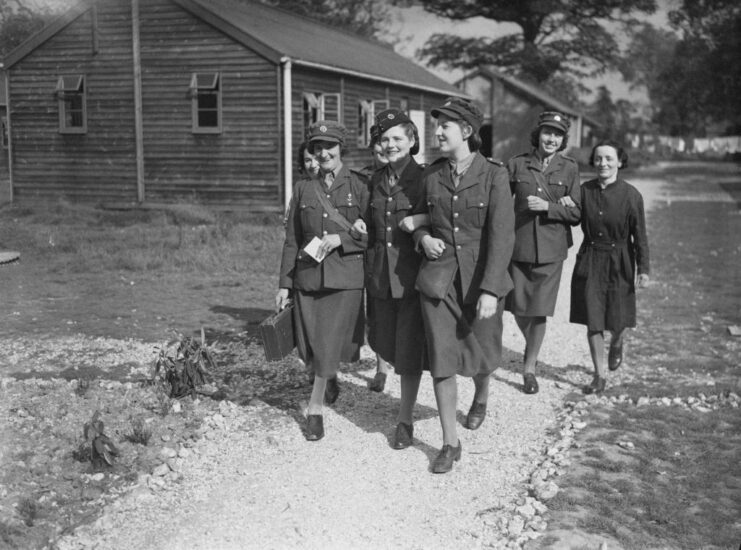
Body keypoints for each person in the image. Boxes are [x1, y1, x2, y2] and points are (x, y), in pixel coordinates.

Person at [413, 97, 515, 473]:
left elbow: (502, 237)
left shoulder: (494, 175)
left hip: (480, 281)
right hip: (438, 280)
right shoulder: (431, 175)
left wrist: (491, 288)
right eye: (436, 125)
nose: (437, 132)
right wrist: (422, 237)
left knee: (482, 354)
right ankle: (449, 442)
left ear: (467, 132)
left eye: (445, 126)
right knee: (441, 357)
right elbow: (417, 219)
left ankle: (482, 393)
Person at [276, 121, 369, 440]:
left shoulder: (359, 185)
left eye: (330, 146)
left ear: (342, 148)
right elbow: (292, 239)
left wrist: (343, 240)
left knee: (327, 342)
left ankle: (314, 409)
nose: (323, 152)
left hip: (345, 280)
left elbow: (376, 235)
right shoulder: (303, 188)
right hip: (308, 278)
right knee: (309, 346)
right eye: (317, 147)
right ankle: (327, 377)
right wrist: (284, 284)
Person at [353, 109, 427, 449]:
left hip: (411, 279)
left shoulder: (426, 178)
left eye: (398, 138)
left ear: (412, 141)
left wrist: (422, 220)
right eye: (384, 139)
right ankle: (399, 401)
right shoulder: (374, 180)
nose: (391, 144)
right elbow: (366, 220)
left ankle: (405, 419)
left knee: (409, 351)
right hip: (380, 277)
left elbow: (442, 218)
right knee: (382, 340)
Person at [506, 112, 581, 394]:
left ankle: (529, 367)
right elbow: (500, 202)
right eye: (547, 133)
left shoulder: (569, 168)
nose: (552, 139)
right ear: (537, 135)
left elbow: (576, 213)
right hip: (518, 246)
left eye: (558, 135)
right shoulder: (516, 164)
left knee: (538, 311)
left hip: (552, 250)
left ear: (562, 140)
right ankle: (532, 346)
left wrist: (549, 208)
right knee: (517, 308)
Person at [569, 140, 650, 394]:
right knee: (593, 320)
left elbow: (640, 236)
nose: (603, 163)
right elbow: (572, 218)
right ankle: (599, 375)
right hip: (591, 258)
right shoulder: (584, 191)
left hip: (620, 259)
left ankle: (617, 341)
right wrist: (562, 204)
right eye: (598, 159)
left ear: (620, 162)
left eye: (609, 159)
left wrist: (644, 269)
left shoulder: (631, 195)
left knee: (618, 317)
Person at [359, 125, 393, 392]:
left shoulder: (407, 176)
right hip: (369, 252)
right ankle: (381, 367)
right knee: (377, 314)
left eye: (388, 143)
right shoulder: (360, 179)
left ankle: (400, 361)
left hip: (397, 254)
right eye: (379, 144)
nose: (384, 149)